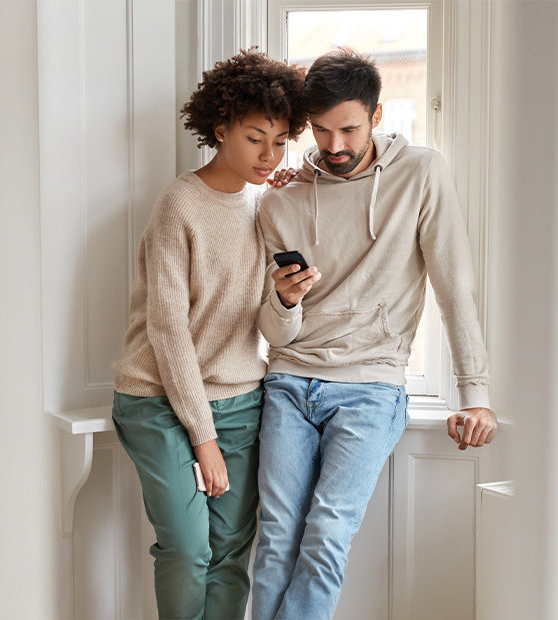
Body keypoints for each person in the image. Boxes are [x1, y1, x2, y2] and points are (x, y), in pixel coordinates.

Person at [251, 48, 499, 620]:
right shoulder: (280, 199)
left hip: (370, 386)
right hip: (288, 380)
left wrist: (476, 395)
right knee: (276, 538)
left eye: (348, 129)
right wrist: (285, 300)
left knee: (325, 538)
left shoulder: (421, 173)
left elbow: (454, 289)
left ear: (378, 114)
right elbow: (269, 327)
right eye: (319, 131)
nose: (333, 146)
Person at [110, 50, 305, 620]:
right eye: (254, 139)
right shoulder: (179, 206)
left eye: (281, 141)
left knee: (229, 553)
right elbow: (169, 335)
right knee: (189, 548)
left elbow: (271, 326)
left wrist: (287, 299)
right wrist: (204, 438)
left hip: (242, 400)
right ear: (219, 129)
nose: (269, 155)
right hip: (159, 400)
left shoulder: (269, 204)